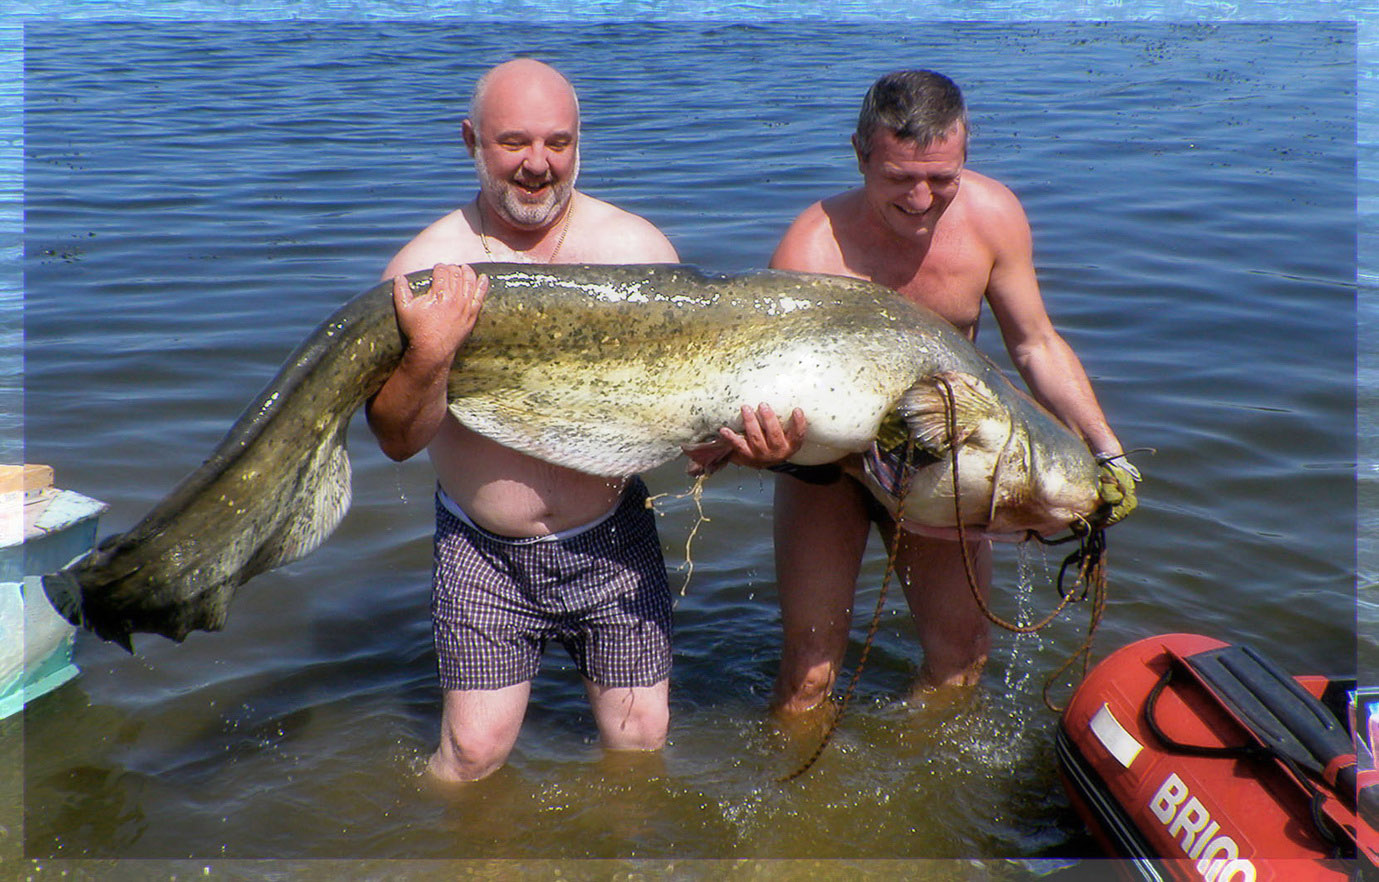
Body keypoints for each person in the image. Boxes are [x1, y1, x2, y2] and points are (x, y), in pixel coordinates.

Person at [366, 58, 802, 784]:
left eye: (558, 142)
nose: (537, 165)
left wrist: (749, 448)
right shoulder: (424, 270)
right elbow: (398, 440)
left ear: (579, 142)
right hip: (483, 552)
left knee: (639, 745)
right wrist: (429, 357)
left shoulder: (639, 256)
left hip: (612, 537)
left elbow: (687, 426)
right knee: (472, 755)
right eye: (513, 142)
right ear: (470, 139)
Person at [767, 70, 1136, 716]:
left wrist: (1106, 450)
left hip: (946, 458)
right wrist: (758, 445)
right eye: (898, 178)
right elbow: (772, 393)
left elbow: (1034, 344)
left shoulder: (992, 218)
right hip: (828, 466)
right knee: (808, 672)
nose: (919, 198)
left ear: (965, 153)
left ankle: (915, 799)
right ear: (859, 153)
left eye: (941, 178)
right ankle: (787, 800)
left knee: (961, 656)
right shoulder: (810, 250)